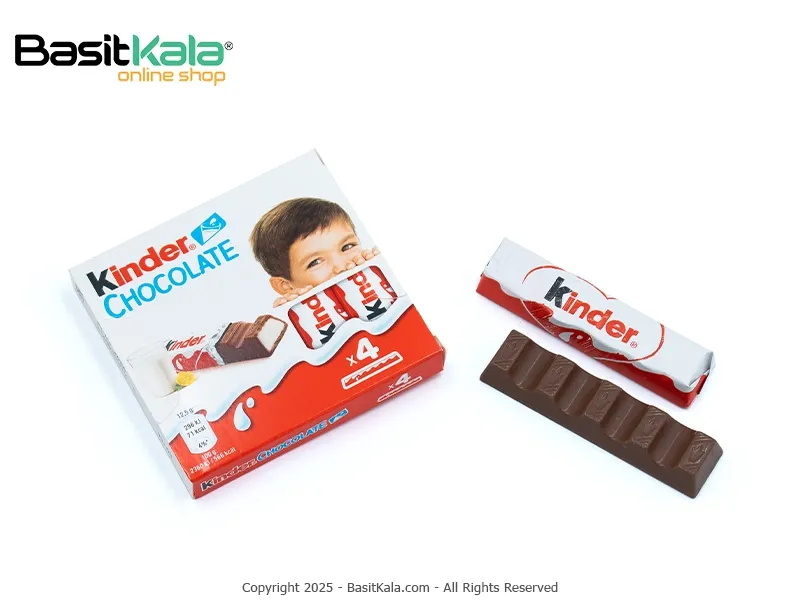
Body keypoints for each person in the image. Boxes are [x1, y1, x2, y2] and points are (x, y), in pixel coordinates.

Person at [250, 197, 379, 307]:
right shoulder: (299, 322)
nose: (341, 267)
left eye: (347, 247)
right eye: (315, 262)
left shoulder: (379, 279)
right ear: (286, 286)